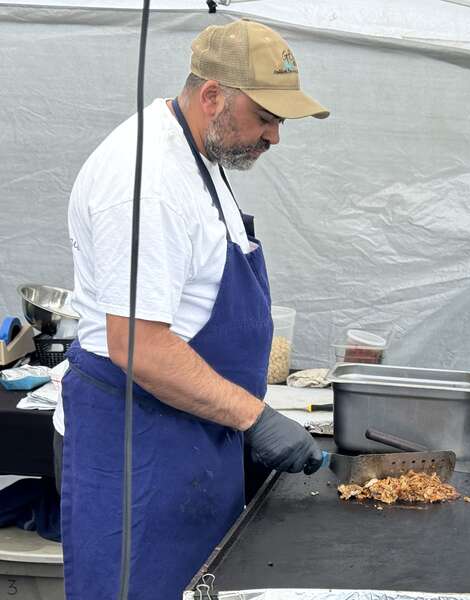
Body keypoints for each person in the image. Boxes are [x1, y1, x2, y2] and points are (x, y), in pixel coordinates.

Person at [60, 19, 328, 599]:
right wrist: (255, 417)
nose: (275, 137)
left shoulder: (199, 153)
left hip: (194, 435)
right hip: (141, 446)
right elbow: (140, 345)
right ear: (212, 96)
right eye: (266, 118)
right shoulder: (148, 182)